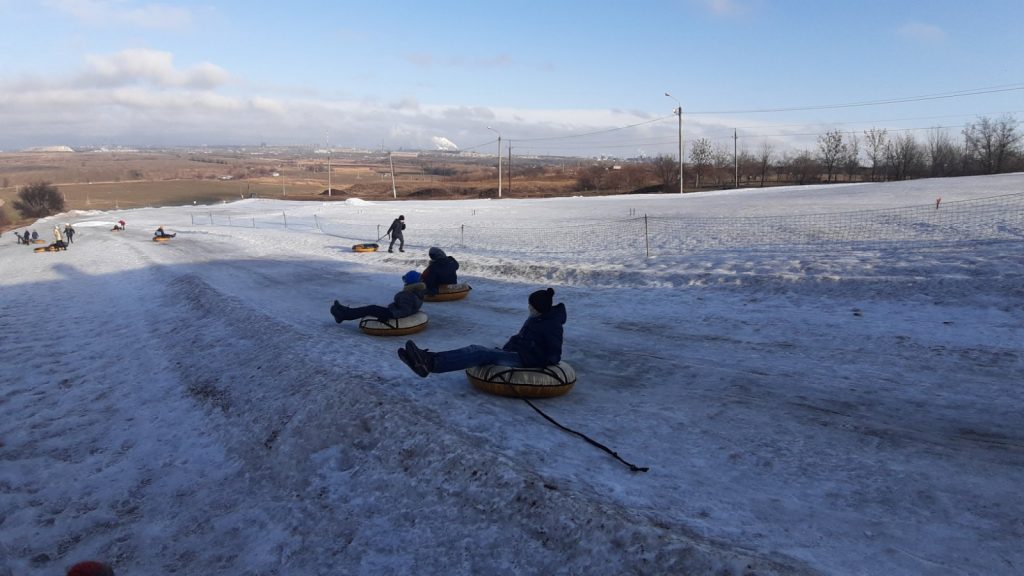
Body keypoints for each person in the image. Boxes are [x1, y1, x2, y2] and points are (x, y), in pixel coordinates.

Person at [398, 288, 566, 378]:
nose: (529, 308)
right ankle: (427, 359)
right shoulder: (536, 318)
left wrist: (537, 361)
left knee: (480, 353)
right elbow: (520, 338)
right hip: (517, 353)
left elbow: (554, 354)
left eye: (531, 306)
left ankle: (430, 364)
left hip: (528, 361)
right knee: (475, 348)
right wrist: (506, 350)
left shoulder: (551, 325)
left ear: (539, 308)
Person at [330, 271, 426, 324]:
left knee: (369, 309)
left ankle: (343, 315)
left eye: (406, 282)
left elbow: (404, 311)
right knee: (370, 308)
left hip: (392, 314)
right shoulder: (417, 292)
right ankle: (343, 309)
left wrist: (387, 315)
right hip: (393, 311)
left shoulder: (408, 295)